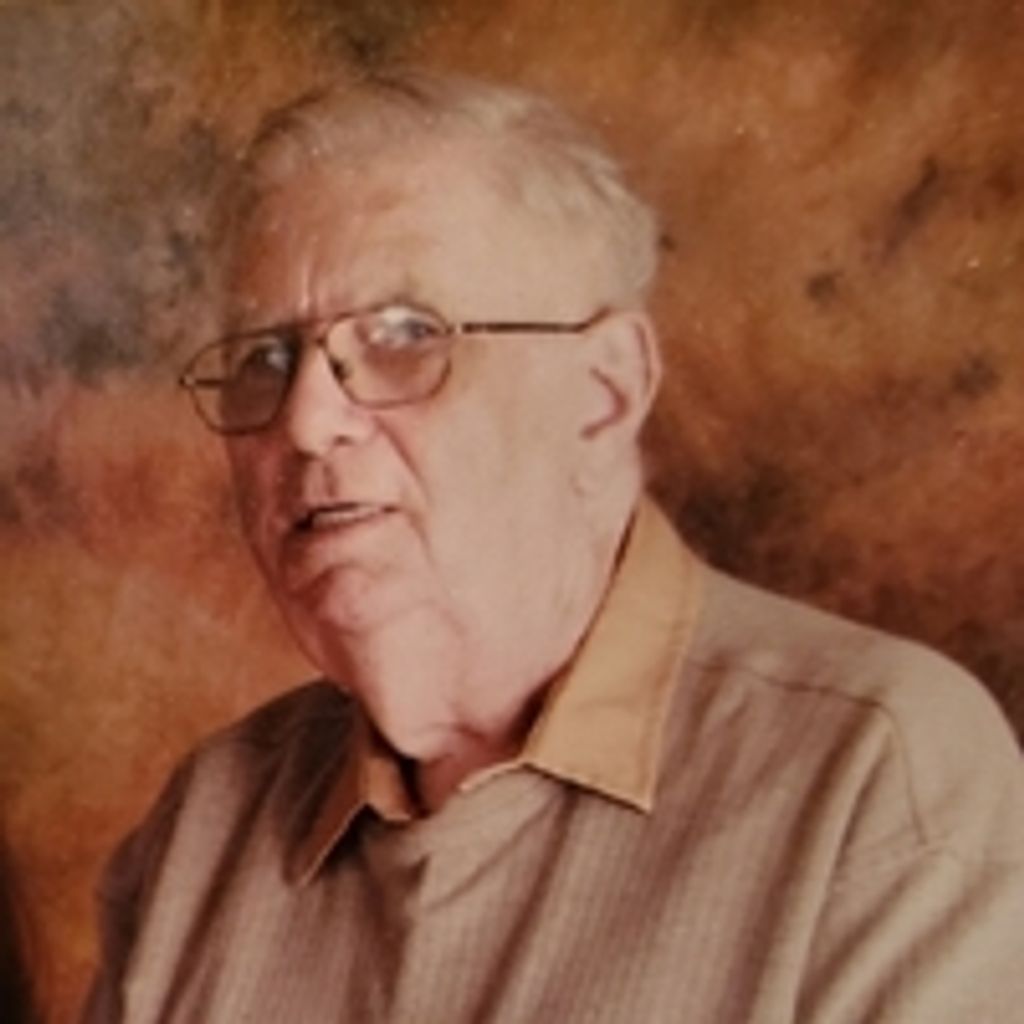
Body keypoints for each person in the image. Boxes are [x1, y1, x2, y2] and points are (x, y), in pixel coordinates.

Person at [82, 69, 1024, 1022]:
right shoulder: (203, 832)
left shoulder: (876, 776)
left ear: (604, 392)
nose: (307, 420)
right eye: (266, 358)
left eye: (405, 335)